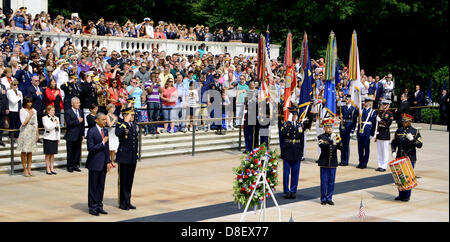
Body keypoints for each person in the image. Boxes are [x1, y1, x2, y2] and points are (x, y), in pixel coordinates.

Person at [280, 107, 312, 199]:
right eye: (292, 114)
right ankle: (286, 191)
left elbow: (301, 139)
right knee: (286, 173)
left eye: (295, 115)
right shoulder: (285, 125)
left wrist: (301, 152)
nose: (294, 116)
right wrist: (289, 122)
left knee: (295, 172)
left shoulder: (299, 125)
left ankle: (293, 190)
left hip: (297, 150)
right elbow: (284, 134)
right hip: (287, 150)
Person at [391, 113, 423, 202]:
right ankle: (401, 194)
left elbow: (420, 145)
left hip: (409, 158)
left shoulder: (415, 132)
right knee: (400, 177)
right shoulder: (399, 131)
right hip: (399, 157)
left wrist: (412, 140)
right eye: (403, 121)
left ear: (410, 121)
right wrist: (393, 151)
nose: (404, 123)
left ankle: (407, 195)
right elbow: (393, 142)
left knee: (407, 177)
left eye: (406, 121)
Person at [86, 112, 112, 216]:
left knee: (101, 186)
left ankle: (99, 205)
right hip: (94, 163)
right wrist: (102, 143)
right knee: (93, 186)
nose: (105, 121)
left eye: (106, 119)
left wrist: (108, 161)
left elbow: (107, 148)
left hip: (103, 163)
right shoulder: (91, 131)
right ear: (96, 120)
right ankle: (92, 207)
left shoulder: (105, 130)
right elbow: (91, 148)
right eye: (103, 119)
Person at [115, 107, 139, 210]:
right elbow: (117, 133)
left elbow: (135, 141)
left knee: (130, 180)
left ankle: (128, 201)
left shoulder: (134, 125)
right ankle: (122, 202)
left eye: (133, 115)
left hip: (132, 156)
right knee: (123, 180)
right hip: (124, 156)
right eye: (131, 115)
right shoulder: (120, 124)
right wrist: (124, 122)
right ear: (125, 116)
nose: (133, 117)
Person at [317, 118, 342, 205]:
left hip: (333, 162)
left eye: (331, 127)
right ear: (324, 128)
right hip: (324, 162)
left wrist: (339, 142)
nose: (329, 129)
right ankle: (323, 198)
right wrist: (331, 141)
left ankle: (329, 197)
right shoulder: (321, 137)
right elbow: (322, 145)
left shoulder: (335, 136)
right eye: (327, 127)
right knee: (324, 181)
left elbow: (341, 148)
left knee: (331, 181)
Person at [17, 97, 38, 177]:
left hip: (32, 131)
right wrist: (30, 115)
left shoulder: (34, 110)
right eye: (28, 102)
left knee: (30, 151)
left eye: (31, 102)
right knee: (24, 151)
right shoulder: (22, 110)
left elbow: (36, 123)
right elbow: (23, 123)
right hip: (25, 131)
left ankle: (29, 169)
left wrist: (37, 134)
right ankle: (24, 169)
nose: (30, 103)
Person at [64, 97, 85, 172]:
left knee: (77, 151)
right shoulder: (68, 111)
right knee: (70, 151)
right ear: (72, 103)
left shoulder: (80, 111)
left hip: (79, 134)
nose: (78, 104)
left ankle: (75, 165)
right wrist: (77, 121)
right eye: (76, 103)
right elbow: (68, 123)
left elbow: (83, 123)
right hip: (71, 134)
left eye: (79, 103)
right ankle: (69, 166)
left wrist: (83, 134)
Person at [356, 95, 377, 169]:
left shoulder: (373, 112)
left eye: (367, 101)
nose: (366, 103)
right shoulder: (361, 110)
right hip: (361, 131)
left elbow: (374, 123)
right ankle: (360, 162)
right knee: (360, 148)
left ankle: (365, 163)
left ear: (370, 102)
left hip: (367, 131)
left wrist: (372, 133)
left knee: (366, 147)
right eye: (365, 101)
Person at [338, 94, 357, 166]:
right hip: (343, 127)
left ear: (350, 100)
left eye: (347, 99)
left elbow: (354, 121)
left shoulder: (353, 109)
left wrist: (352, 130)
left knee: (346, 144)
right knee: (342, 144)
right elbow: (340, 114)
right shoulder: (343, 108)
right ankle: (342, 160)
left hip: (349, 126)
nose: (346, 100)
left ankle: (346, 161)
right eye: (346, 99)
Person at [375, 99, 394, 172]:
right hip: (379, 134)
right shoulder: (380, 113)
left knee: (385, 151)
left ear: (388, 105)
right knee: (380, 151)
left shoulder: (390, 114)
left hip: (385, 134)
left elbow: (388, 124)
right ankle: (380, 165)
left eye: (386, 105)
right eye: (383, 104)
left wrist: (380, 121)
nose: (384, 106)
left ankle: (384, 166)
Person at [42, 105, 61, 175]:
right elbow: (47, 127)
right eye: (52, 110)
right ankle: (47, 168)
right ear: (48, 111)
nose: (53, 112)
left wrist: (58, 138)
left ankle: (52, 168)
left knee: (53, 154)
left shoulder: (56, 118)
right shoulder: (45, 118)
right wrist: (54, 124)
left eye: (54, 110)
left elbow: (58, 129)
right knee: (48, 154)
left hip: (54, 137)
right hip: (48, 137)